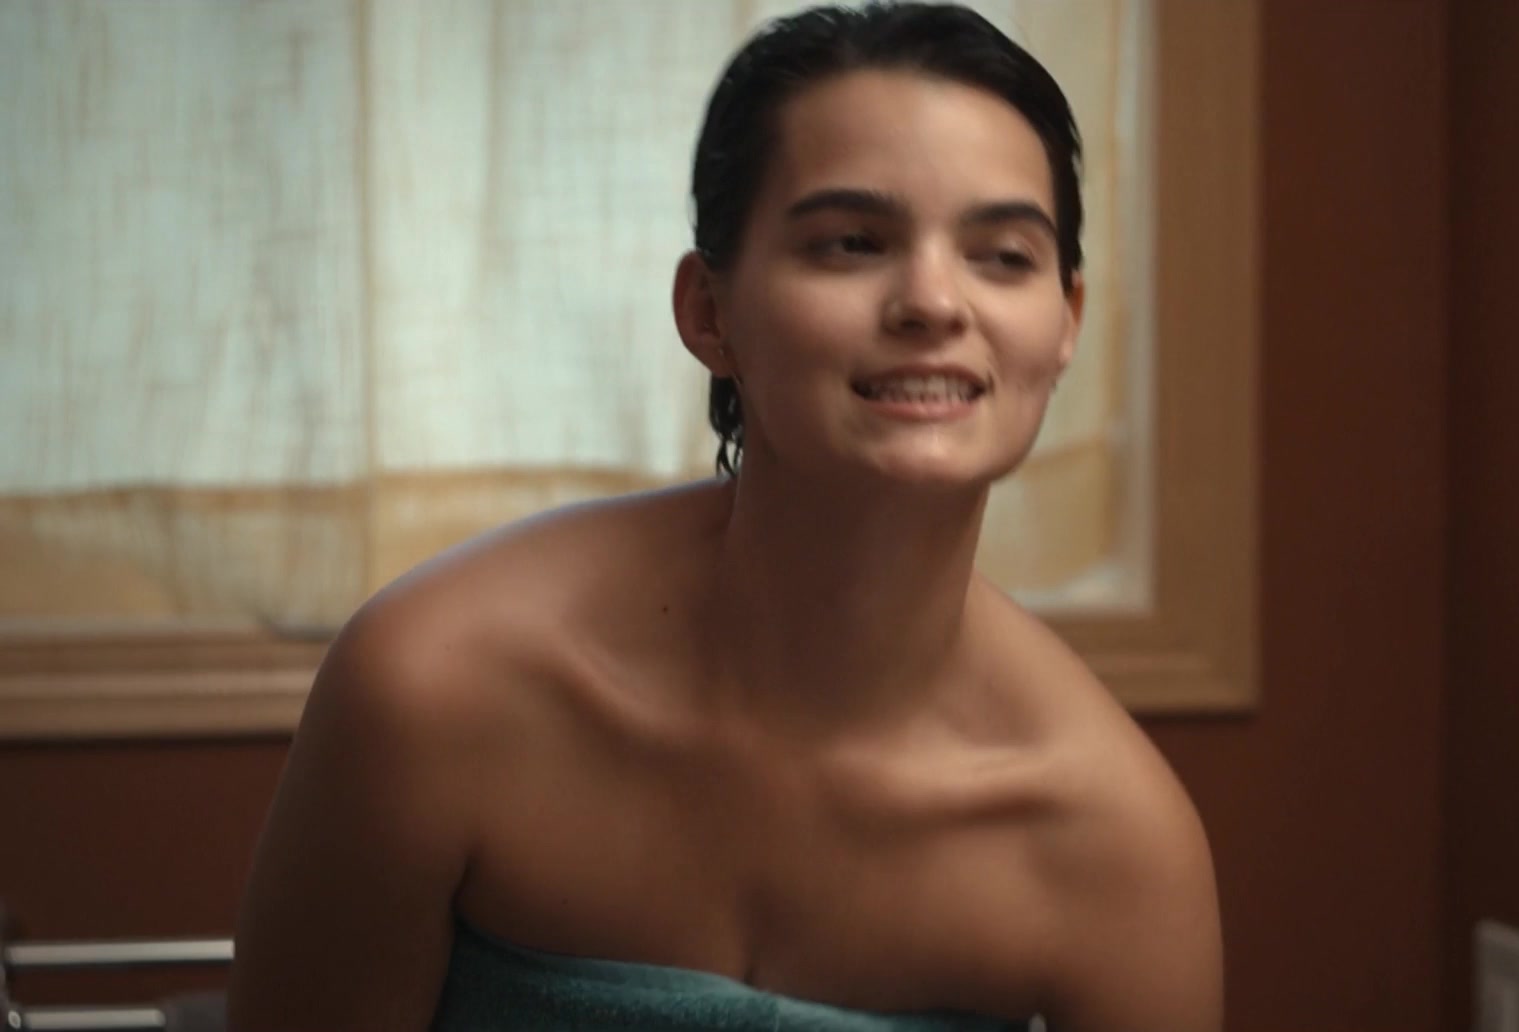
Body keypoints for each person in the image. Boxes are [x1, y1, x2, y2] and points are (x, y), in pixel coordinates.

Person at [227, 3, 1221, 1030]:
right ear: (709, 311)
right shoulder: (433, 688)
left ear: (1065, 323)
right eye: (852, 242)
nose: (933, 302)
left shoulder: (1115, 846)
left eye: (1003, 256)